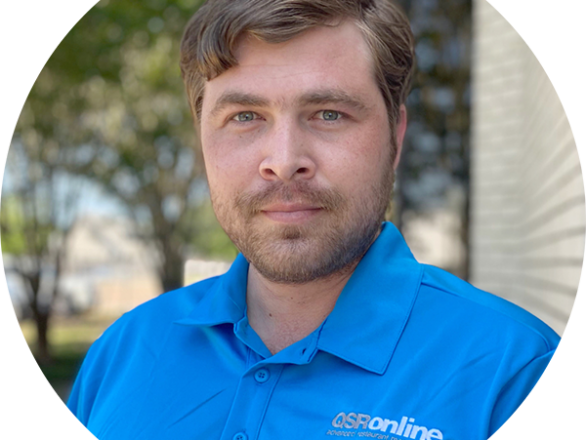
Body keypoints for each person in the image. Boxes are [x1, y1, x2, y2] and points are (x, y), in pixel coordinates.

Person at [66, 1, 561, 439]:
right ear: (202, 139)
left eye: (328, 114)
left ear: (396, 138)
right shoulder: (123, 352)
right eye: (244, 116)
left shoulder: (513, 371)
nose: (284, 162)